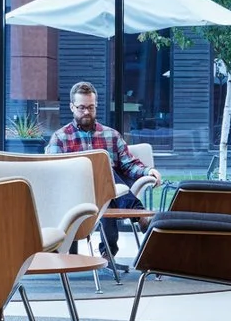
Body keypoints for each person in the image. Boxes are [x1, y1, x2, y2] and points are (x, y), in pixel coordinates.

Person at [44, 81, 152, 253]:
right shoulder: (60, 138)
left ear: (96, 106)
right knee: (101, 171)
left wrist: (148, 171)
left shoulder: (112, 135)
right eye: (81, 107)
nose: (86, 112)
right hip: (73, 195)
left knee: (105, 179)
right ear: (72, 107)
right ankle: (138, 213)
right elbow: (52, 173)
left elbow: (129, 164)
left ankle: (108, 255)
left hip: (106, 195)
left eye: (91, 107)